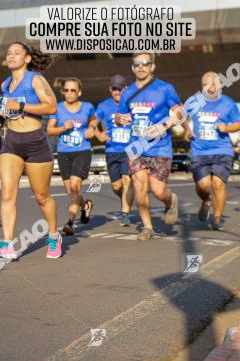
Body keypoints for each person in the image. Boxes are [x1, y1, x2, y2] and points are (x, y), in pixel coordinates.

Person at [0, 42, 61, 260]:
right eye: (9, 53)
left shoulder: (35, 79)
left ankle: (54, 235)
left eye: (16, 53)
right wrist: (0, 118)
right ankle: (7, 244)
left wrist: (22, 106)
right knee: (7, 194)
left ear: (27, 58)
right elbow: (8, 109)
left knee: (42, 196)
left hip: (36, 143)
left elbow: (51, 106)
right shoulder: (6, 84)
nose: (11, 56)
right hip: (11, 142)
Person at [115, 52, 184, 241]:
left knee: (159, 190)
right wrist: (120, 119)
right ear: (132, 68)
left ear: (152, 67)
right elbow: (119, 117)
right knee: (140, 187)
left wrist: (164, 125)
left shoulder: (164, 89)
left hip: (160, 147)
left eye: (145, 63)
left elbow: (180, 112)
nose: (141, 67)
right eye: (137, 64)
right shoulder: (127, 93)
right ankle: (147, 227)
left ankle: (171, 201)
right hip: (137, 147)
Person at [183, 71, 240, 230]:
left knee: (218, 184)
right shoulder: (194, 102)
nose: (209, 87)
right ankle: (206, 200)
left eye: (212, 84)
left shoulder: (228, 103)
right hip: (200, 151)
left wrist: (227, 127)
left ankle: (217, 218)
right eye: (205, 84)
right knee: (203, 185)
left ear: (219, 85)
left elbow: (238, 123)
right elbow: (179, 117)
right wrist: (187, 130)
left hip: (222, 150)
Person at [47, 78, 97, 235]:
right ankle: (85, 206)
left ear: (79, 92)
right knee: (71, 192)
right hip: (64, 152)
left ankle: (70, 223)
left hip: (82, 151)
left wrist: (91, 128)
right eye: (66, 90)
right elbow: (49, 130)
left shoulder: (87, 107)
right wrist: (63, 127)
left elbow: (94, 120)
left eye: (73, 90)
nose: (69, 93)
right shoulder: (58, 109)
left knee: (75, 187)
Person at [94, 75, 136, 227]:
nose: (117, 91)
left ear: (126, 88)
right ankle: (127, 196)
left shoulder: (133, 104)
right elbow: (93, 122)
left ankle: (125, 214)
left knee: (127, 181)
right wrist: (98, 134)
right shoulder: (104, 105)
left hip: (129, 150)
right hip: (112, 150)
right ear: (110, 89)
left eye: (120, 88)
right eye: (114, 89)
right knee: (117, 186)